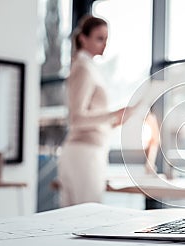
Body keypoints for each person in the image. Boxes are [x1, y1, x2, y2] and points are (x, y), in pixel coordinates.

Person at [58, 15, 134, 207]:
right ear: (83, 38)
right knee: (85, 219)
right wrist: (113, 114)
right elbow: (77, 118)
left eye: (107, 39)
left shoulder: (88, 67)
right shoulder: (83, 68)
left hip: (86, 152)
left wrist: (114, 121)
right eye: (100, 38)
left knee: (75, 220)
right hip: (84, 154)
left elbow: (89, 116)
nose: (105, 44)